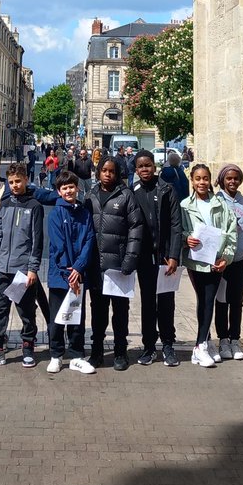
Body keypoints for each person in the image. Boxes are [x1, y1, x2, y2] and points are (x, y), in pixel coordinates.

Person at [0, 162, 43, 367]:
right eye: (11, 182)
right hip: (2, 267)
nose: (14, 185)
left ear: (26, 180)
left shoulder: (34, 206)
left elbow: (37, 240)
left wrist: (33, 268)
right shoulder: (5, 205)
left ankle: (28, 346)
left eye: (18, 181)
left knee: (26, 311)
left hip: (22, 270)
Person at [85, 155, 142, 372]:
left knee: (120, 312)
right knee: (98, 312)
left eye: (112, 171)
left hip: (118, 266)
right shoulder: (90, 195)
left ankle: (120, 352)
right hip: (96, 266)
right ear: (98, 172)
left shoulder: (126, 196)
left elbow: (136, 229)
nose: (108, 174)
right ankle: (96, 351)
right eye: (104, 170)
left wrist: (130, 259)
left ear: (118, 174)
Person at [181, 163, 237, 368]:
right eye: (198, 179)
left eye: (205, 178)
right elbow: (180, 231)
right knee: (202, 300)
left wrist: (227, 258)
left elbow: (231, 232)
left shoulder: (221, 205)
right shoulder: (185, 205)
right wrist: (186, 238)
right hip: (196, 261)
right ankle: (201, 344)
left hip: (216, 261)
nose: (202, 182)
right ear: (192, 181)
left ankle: (202, 343)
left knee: (209, 300)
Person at [132, 151, 183, 368]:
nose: (145, 169)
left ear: (155, 166)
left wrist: (173, 255)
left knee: (166, 302)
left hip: (164, 257)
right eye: (140, 166)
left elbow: (175, 225)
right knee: (147, 303)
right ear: (136, 170)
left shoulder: (166, 189)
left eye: (148, 165)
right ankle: (149, 346)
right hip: (143, 258)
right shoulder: (132, 192)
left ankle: (168, 344)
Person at [46, 170, 96, 375]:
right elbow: (58, 246)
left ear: (77, 188)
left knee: (76, 318)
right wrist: (70, 273)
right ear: (59, 191)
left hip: (78, 274)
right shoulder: (55, 214)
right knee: (58, 318)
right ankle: (56, 355)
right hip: (60, 275)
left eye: (71, 187)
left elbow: (88, 240)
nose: (68, 191)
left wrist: (79, 268)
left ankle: (76, 355)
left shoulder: (84, 213)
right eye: (64, 188)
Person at [213, 163, 243, 362]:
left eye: (236, 178)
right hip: (222, 260)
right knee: (221, 301)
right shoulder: (216, 200)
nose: (232, 181)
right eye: (229, 178)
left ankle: (235, 339)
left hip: (240, 259)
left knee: (236, 301)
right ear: (222, 180)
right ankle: (222, 338)